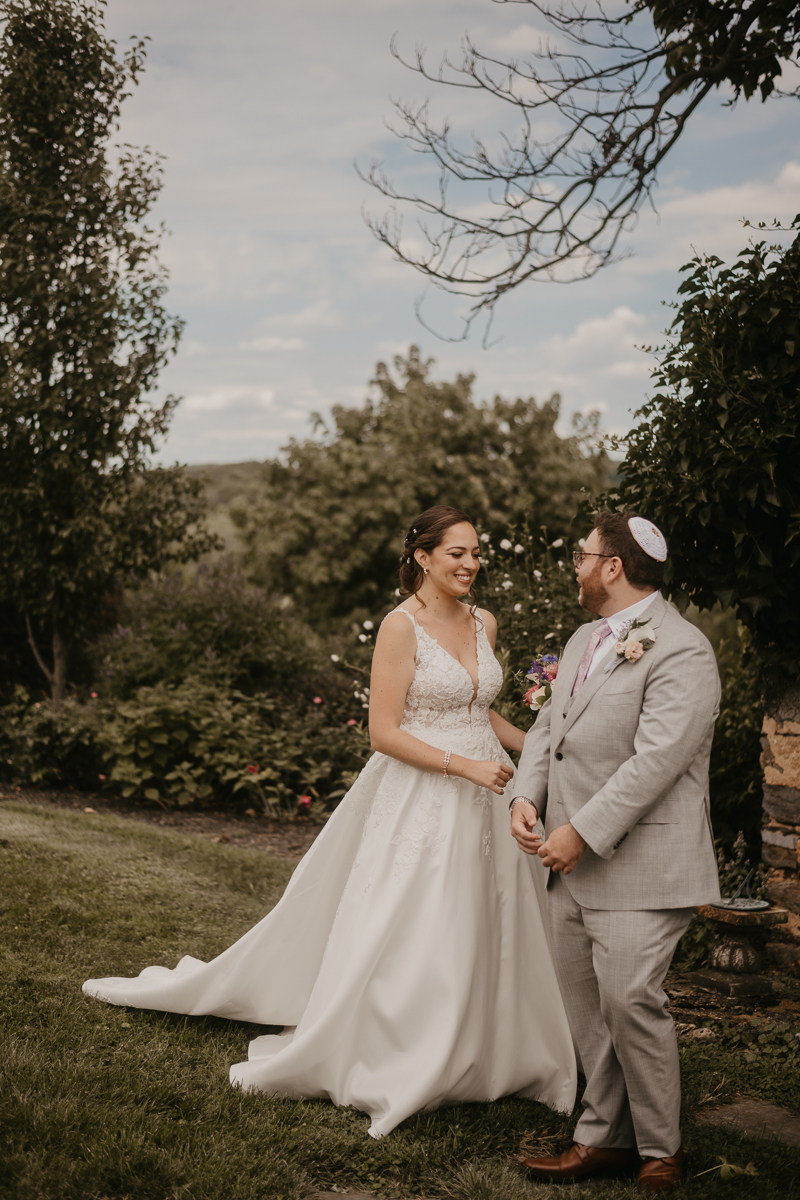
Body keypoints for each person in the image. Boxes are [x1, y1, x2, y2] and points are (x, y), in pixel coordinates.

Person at [83, 505, 576, 1138]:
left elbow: (485, 714)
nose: (471, 564)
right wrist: (464, 767)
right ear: (423, 557)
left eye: (477, 553)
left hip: (490, 789)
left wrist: (544, 748)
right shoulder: (401, 627)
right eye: (457, 553)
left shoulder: (485, 621)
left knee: (492, 915)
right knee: (422, 916)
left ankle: (498, 1046)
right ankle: (404, 1047)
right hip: (427, 791)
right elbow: (383, 733)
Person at [510, 511, 721, 1194]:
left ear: (613, 567)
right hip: (565, 863)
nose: (575, 565)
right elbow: (549, 729)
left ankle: (660, 1149)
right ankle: (601, 1138)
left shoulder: (683, 650)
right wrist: (526, 795)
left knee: (632, 1001)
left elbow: (657, 761)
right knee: (588, 1011)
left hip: (638, 864)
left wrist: (581, 832)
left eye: (583, 555)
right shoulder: (580, 640)